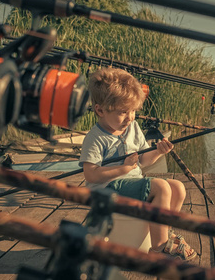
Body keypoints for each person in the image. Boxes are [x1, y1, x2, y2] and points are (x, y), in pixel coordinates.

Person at [79, 68, 197, 261]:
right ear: (100, 110)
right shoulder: (95, 137)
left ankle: (165, 233)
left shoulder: (131, 127)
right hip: (106, 188)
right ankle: (158, 249)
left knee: (177, 187)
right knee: (160, 187)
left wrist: (158, 152)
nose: (131, 117)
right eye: (123, 112)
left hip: (132, 184)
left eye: (133, 111)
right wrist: (123, 169)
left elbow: (142, 160)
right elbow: (91, 175)